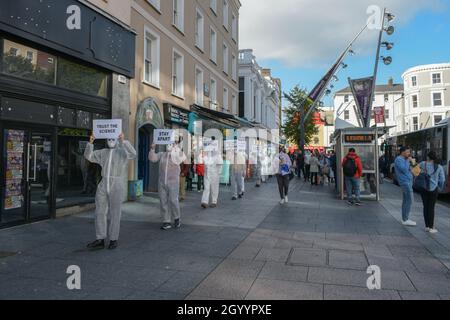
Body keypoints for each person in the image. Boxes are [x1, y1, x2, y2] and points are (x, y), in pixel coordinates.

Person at [84, 133, 137, 250]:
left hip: (116, 184)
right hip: (103, 184)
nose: (111, 140)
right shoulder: (103, 152)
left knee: (115, 213)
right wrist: (90, 143)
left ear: (117, 139)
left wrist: (124, 142)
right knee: (99, 212)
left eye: (113, 138)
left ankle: (113, 239)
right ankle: (100, 239)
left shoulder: (122, 152)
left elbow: (133, 154)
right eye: (109, 138)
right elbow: (89, 156)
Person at [149, 141, 187, 230]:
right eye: (168, 143)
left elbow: (183, 158)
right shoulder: (162, 154)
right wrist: (152, 148)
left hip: (173, 182)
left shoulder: (176, 154)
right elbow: (153, 158)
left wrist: (176, 148)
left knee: (173, 200)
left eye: (171, 144)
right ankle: (166, 221)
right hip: (162, 182)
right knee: (163, 201)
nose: (169, 145)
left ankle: (177, 218)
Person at [418, 151, 445, 233]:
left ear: (428, 157)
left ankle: (426, 226)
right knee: (431, 208)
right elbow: (442, 179)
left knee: (425, 207)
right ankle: (431, 227)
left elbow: (415, 170)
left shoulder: (423, 164)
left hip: (424, 188)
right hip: (434, 189)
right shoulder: (439, 167)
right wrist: (439, 187)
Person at [394, 146, 417, 227]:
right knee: (409, 200)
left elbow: (415, 171)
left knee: (406, 200)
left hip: (408, 181)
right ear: (402, 152)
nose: (409, 154)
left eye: (409, 152)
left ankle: (405, 218)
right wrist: (408, 161)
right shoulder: (399, 159)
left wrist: (412, 163)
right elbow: (404, 169)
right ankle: (405, 219)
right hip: (405, 182)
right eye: (407, 152)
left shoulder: (405, 160)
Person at [201, 139, 223, 209]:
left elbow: (220, 164)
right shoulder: (206, 153)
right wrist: (203, 155)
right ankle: (204, 202)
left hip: (215, 174)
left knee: (214, 188)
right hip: (207, 173)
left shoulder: (217, 154)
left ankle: (214, 201)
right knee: (206, 188)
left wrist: (218, 173)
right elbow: (204, 162)